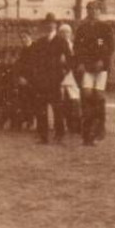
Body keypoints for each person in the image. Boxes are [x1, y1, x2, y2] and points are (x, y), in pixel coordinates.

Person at [74, 1, 115, 145]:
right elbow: (77, 47)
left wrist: (102, 61)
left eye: (96, 9)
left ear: (100, 11)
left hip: (100, 67)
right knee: (86, 94)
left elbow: (110, 47)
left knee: (98, 96)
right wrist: (80, 63)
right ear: (87, 11)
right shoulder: (82, 28)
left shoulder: (105, 28)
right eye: (90, 9)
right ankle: (87, 132)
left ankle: (99, 128)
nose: (93, 12)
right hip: (87, 66)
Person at [28, 14, 69, 144]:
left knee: (57, 107)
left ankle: (59, 134)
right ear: (45, 25)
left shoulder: (62, 41)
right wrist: (36, 74)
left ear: (56, 25)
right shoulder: (40, 42)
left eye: (52, 23)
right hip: (42, 79)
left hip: (55, 79)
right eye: (48, 23)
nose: (50, 25)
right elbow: (34, 59)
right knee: (41, 108)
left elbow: (69, 59)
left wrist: (64, 73)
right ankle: (43, 136)